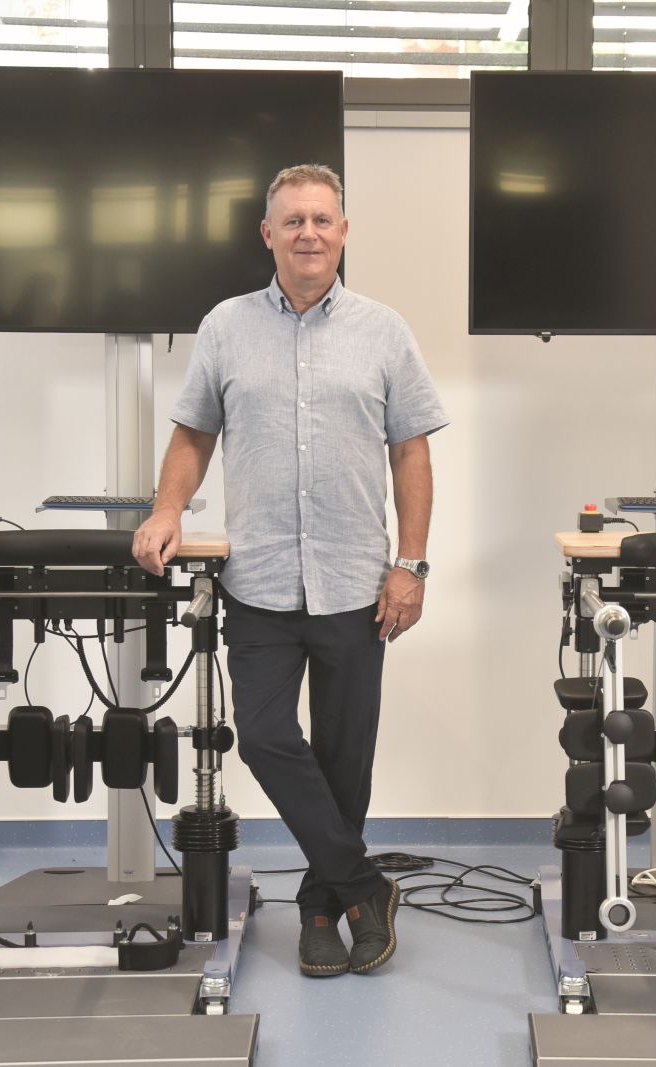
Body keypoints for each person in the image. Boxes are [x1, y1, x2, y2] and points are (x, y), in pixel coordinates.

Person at [132, 164, 447, 978]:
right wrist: (169, 508)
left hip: (355, 582)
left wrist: (410, 563)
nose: (310, 232)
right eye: (293, 220)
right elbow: (193, 433)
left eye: (323, 219)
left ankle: (320, 909)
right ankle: (365, 886)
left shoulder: (384, 331)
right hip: (261, 580)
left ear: (344, 231)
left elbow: (410, 450)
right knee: (267, 734)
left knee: (346, 762)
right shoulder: (226, 327)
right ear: (266, 234)